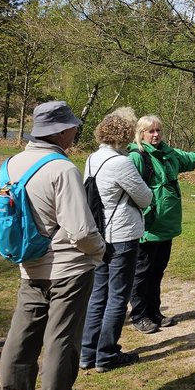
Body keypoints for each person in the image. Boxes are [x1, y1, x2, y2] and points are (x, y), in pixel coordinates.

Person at [0, 101, 105, 390]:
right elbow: (81, 230)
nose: (76, 132)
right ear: (60, 131)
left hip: (29, 266)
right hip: (68, 271)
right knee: (61, 345)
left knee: (21, 343)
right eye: (73, 127)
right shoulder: (62, 168)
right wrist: (100, 252)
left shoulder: (10, 164)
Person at [127, 114, 195, 334]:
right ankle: (139, 316)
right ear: (141, 134)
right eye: (150, 131)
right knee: (142, 273)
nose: (155, 135)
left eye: (158, 131)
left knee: (157, 271)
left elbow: (192, 158)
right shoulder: (137, 157)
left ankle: (154, 312)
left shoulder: (170, 154)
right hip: (148, 227)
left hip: (166, 227)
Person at [80, 109, 153, 373]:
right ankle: (107, 354)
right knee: (118, 296)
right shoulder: (121, 163)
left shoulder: (91, 158)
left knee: (98, 294)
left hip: (99, 233)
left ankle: (87, 352)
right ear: (124, 134)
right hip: (122, 235)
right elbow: (146, 198)